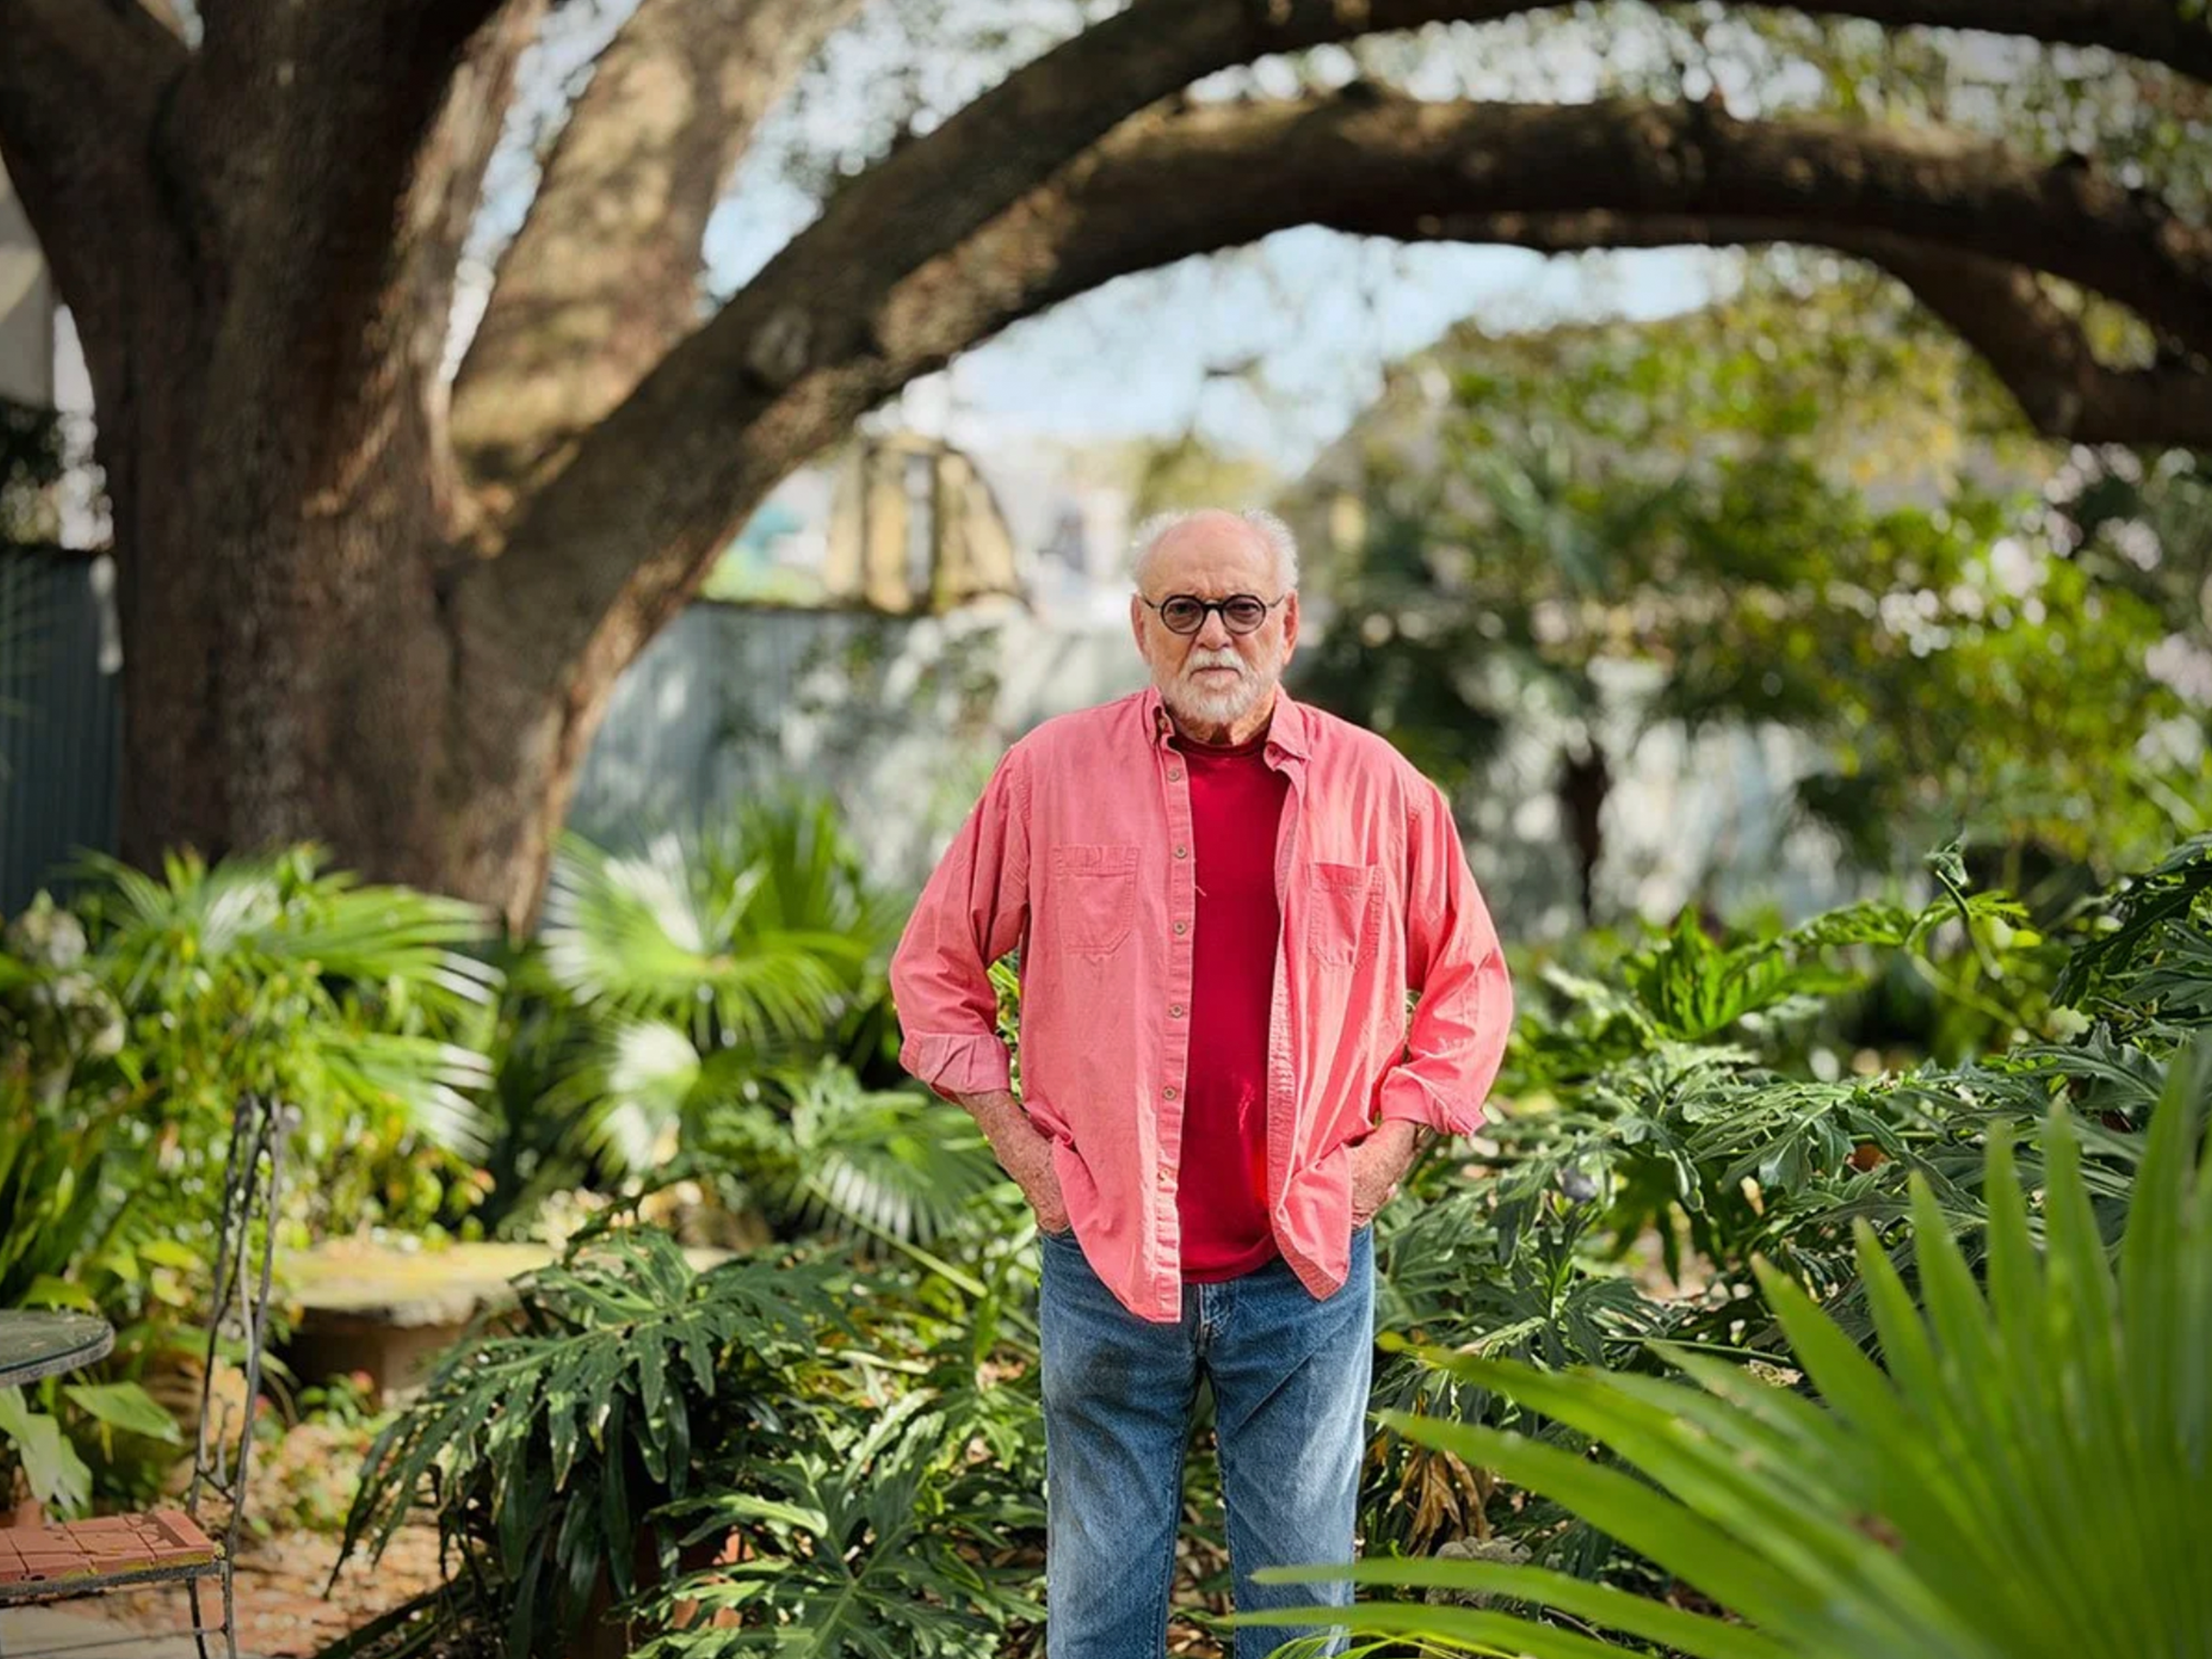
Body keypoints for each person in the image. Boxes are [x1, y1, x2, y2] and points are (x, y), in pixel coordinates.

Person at [888, 507, 1513, 1658]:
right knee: (1099, 1624)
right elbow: (933, 972)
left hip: (1303, 1266)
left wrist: (1386, 1155)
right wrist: (1028, 1157)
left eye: (1240, 607)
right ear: (1140, 626)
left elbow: (1469, 984)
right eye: (1182, 610)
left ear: (1289, 623)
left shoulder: (1380, 791)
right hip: (1108, 1257)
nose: (1212, 635)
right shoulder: (1049, 775)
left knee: (1297, 1624)